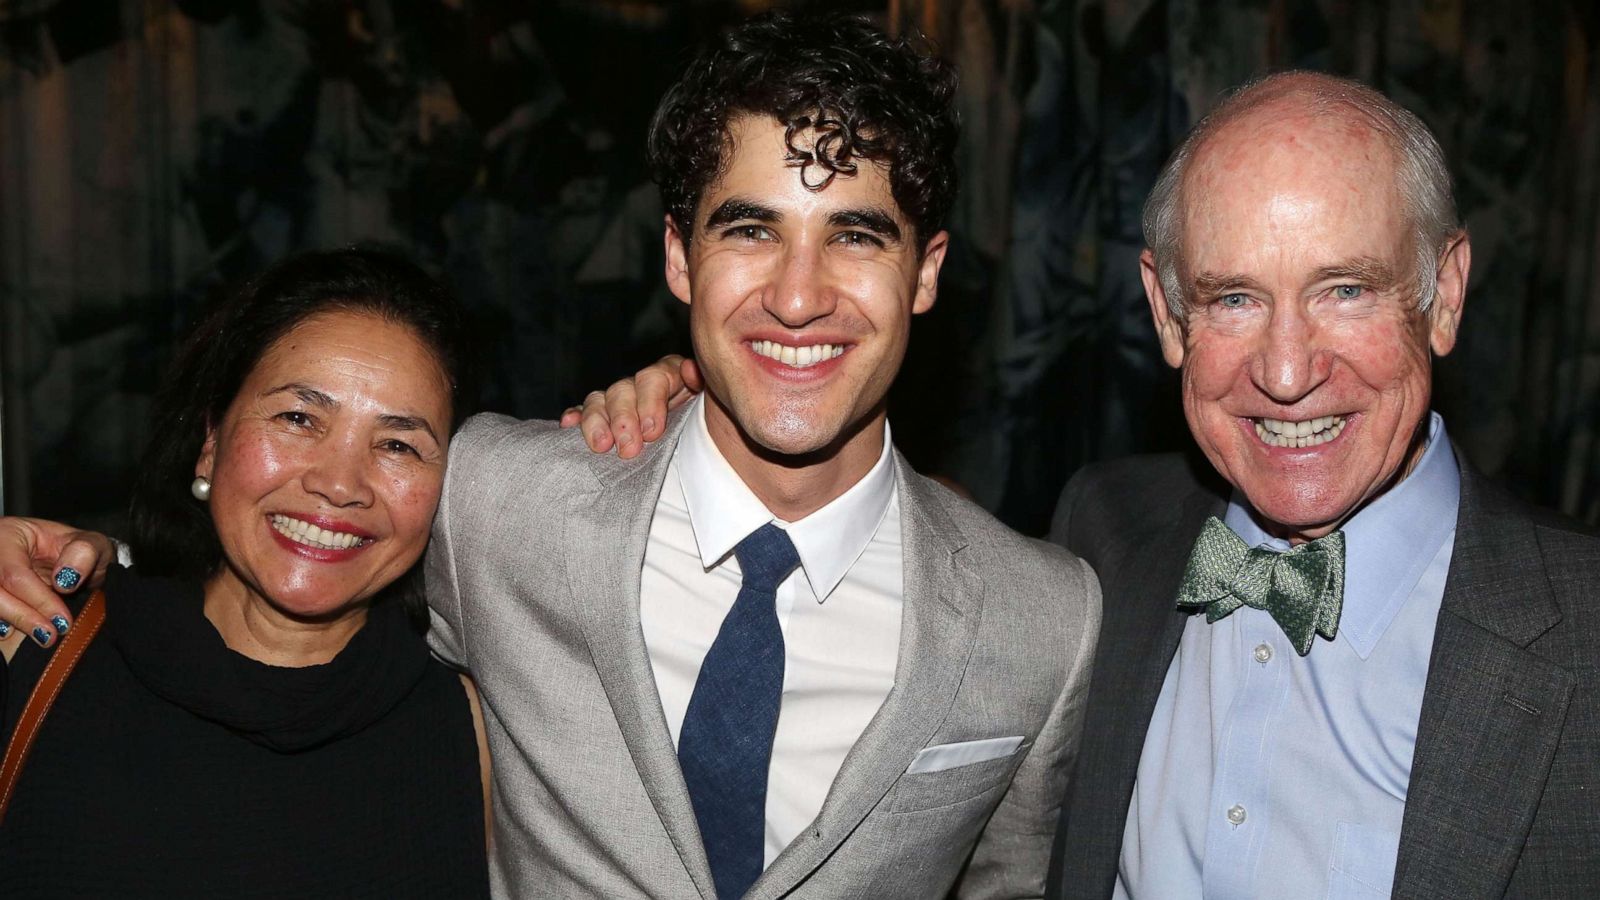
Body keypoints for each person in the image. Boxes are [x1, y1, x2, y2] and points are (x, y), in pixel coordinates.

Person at [1, 13, 1101, 899]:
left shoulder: (1041, 619)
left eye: (855, 235)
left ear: (926, 271)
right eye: (748, 229)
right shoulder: (499, 500)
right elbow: (308, 555)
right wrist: (92, 564)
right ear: (679, 258)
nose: (798, 294)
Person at [560, 71, 1600, 898]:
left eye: (1343, 290)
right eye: (1232, 297)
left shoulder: (1582, 643)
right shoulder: (1105, 535)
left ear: (1444, 293)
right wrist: (701, 400)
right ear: (1163, 312)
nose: (1287, 372)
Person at [0, 249, 491, 898]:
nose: (340, 485)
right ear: (211, 439)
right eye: (298, 418)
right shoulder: (31, 649)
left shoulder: (473, 730)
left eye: (398, 444)